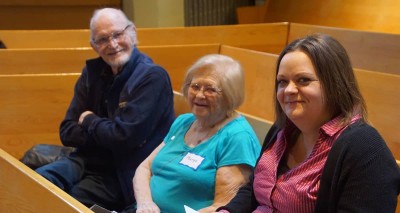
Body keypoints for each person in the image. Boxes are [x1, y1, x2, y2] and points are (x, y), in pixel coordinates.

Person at [216, 34, 400, 212]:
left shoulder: (365, 148)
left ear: (334, 84)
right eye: (282, 81)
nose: (288, 90)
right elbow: (254, 191)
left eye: (303, 80)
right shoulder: (281, 130)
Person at [35, 8, 175, 211]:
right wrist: (107, 133)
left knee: (64, 202)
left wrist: (90, 121)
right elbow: (67, 131)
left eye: (118, 34)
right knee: (39, 182)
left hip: (123, 173)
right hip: (84, 160)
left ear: (133, 32)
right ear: (93, 45)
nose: (113, 44)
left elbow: (124, 138)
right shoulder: (92, 72)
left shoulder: (152, 77)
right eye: (102, 39)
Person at [132, 54, 261, 213]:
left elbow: (222, 208)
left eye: (210, 89)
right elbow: (144, 168)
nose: (199, 95)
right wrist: (145, 203)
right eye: (195, 86)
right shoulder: (184, 121)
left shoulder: (237, 137)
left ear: (230, 94)